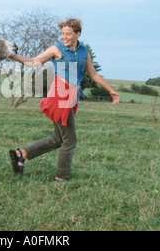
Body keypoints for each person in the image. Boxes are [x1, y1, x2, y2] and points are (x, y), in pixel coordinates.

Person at [8, 18, 120, 182]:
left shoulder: (84, 51)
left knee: (58, 139)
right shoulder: (56, 49)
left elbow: (93, 74)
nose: (64, 37)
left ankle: (21, 154)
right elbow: (33, 62)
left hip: (72, 97)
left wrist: (111, 91)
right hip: (59, 98)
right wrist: (12, 56)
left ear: (77, 34)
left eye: (68, 34)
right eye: (63, 34)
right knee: (70, 140)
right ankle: (61, 177)